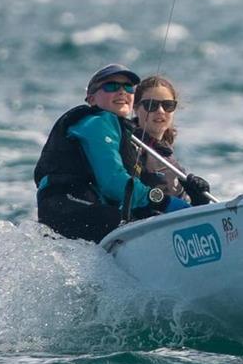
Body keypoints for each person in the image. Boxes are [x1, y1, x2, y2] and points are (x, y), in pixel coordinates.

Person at [35, 63, 189, 243]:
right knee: (127, 225)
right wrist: (161, 200)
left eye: (127, 87)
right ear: (92, 99)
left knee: (134, 220)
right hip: (64, 204)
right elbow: (113, 182)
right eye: (111, 86)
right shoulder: (96, 123)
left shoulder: (123, 132)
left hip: (86, 205)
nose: (122, 91)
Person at [132, 75, 212, 205]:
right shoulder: (130, 147)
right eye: (151, 105)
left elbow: (185, 211)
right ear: (135, 108)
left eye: (168, 105)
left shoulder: (170, 159)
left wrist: (199, 200)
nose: (160, 111)